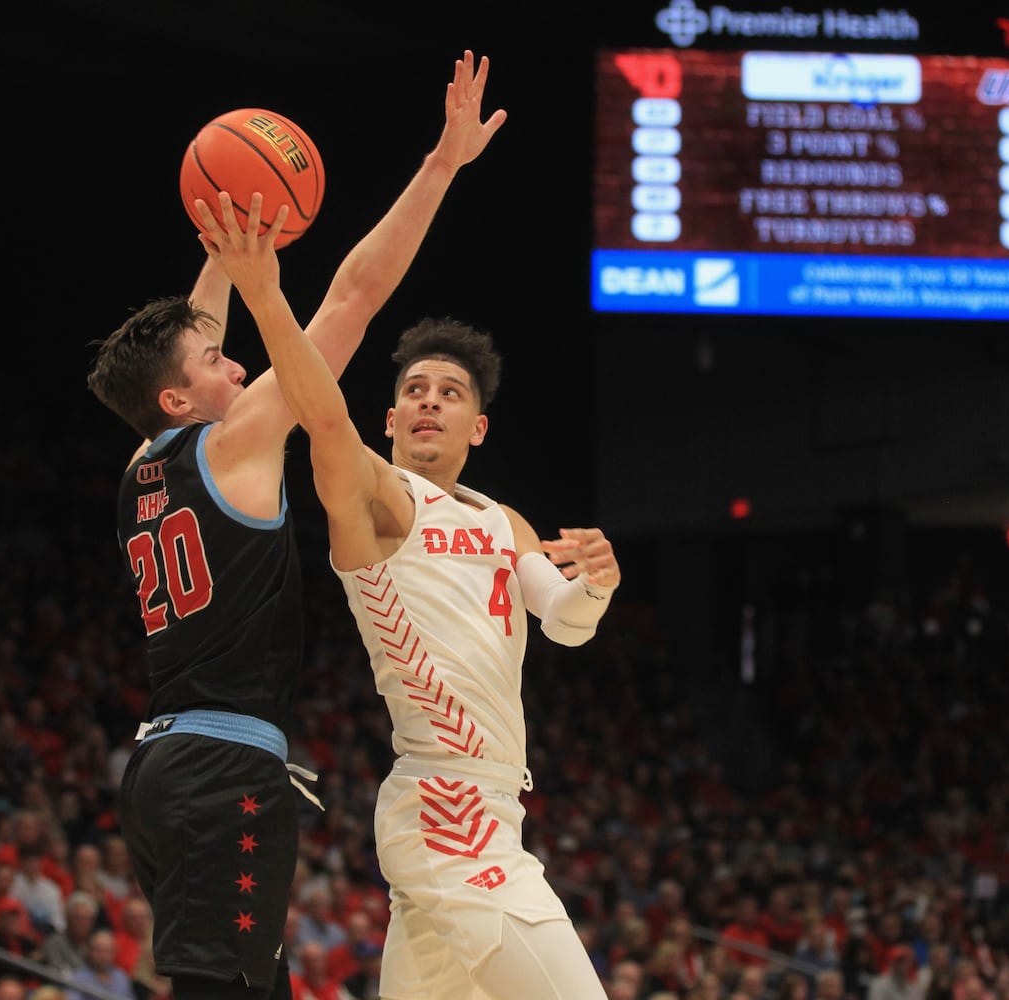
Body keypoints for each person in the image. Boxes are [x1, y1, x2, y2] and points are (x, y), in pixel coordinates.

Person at [86, 49, 505, 1000]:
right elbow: (354, 298)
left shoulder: (142, 464)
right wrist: (441, 164)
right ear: (177, 395)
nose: (235, 367)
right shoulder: (233, 439)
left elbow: (199, 327)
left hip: (164, 769)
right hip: (220, 773)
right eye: (215, 362)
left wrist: (228, 235)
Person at [199, 142, 619, 1000]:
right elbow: (318, 407)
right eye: (416, 389)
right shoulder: (378, 497)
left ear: (479, 429)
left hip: (495, 809)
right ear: (389, 420)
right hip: (448, 807)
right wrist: (267, 296)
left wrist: (600, 585)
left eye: (451, 393)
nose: (430, 399)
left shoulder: (503, 521)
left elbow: (565, 620)